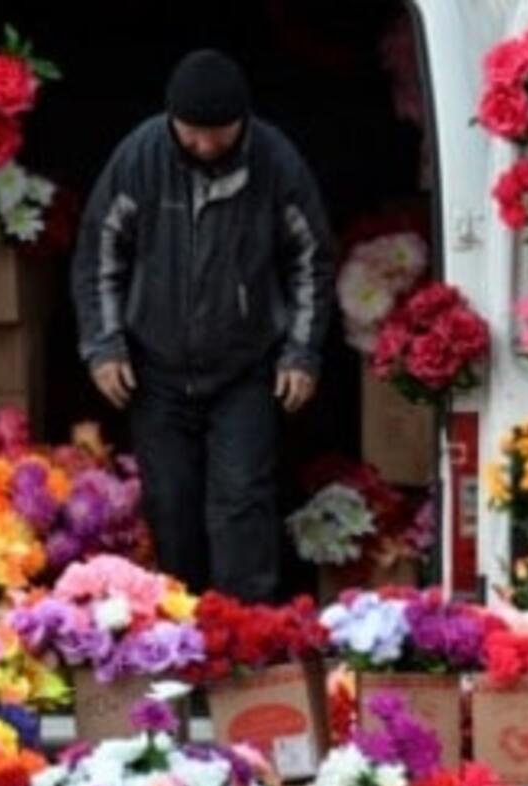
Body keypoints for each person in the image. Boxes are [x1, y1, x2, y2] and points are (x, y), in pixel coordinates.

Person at [71, 49, 334, 603]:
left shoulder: (276, 163)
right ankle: (180, 644)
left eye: (220, 132)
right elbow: (98, 255)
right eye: (193, 133)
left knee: (242, 503)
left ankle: (246, 645)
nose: (207, 145)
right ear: (171, 118)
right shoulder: (139, 158)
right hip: (156, 372)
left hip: (245, 370)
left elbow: (311, 259)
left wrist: (301, 353)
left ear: (244, 119)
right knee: (171, 505)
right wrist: (104, 345)